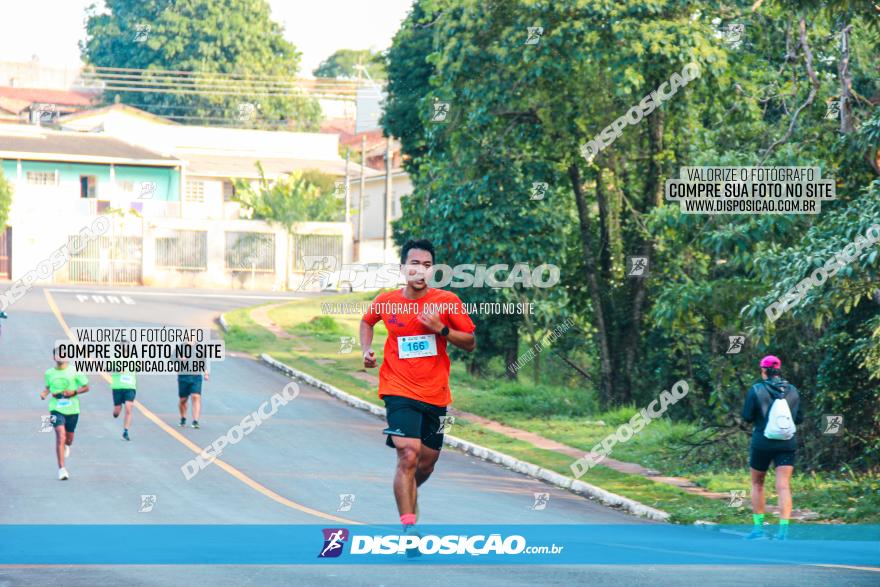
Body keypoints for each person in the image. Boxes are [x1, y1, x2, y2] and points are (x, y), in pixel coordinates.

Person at [360, 239, 476, 549]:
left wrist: (442, 329)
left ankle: (410, 489)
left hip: (435, 394)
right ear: (403, 268)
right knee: (407, 453)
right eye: (414, 264)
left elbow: (470, 342)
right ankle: (409, 529)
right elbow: (367, 321)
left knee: (426, 463)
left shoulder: (447, 301)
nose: (420, 270)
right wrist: (366, 350)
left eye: (427, 265)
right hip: (397, 388)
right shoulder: (387, 301)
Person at [741, 355, 804, 540]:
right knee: (783, 486)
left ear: (763, 370)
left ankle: (758, 529)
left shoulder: (756, 389)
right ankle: (783, 532)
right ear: (779, 370)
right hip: (787, 443)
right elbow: (799, 418)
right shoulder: (792, 390)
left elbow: (747, 416)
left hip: (762, 443)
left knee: (757, 483)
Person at [40, 348, 90, 480]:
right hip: (55, 408)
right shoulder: (49, 373)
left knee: (69, 438)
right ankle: (62, 469)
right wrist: (44, 394)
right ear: (54, 357)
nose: (60, 356)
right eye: (57, 354)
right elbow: (48, 387)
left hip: (72, 409)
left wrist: (73, 392)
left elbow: (86, 387)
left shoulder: (75, 370)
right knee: (60, 436)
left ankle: (67, 445)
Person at [177, 343, 209, 429]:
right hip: (183, 377)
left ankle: (195, 421)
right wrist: (180, 358)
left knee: (196, 396)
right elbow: (172, 359)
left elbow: (203, 361)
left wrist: (206, 372)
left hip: (196, 376)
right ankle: (183, 418)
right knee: (183, 400)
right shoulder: (181, 347)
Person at [111, 370, 137, 440]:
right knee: (116, 412)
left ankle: (126, 431)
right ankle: (116, 412)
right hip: (117, 387)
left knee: (128, 408)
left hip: (130, 387)